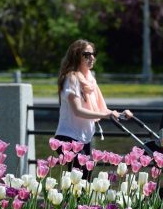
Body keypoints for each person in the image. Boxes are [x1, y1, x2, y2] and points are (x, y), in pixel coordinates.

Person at [54, 39, 132, 179]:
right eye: (87, 54)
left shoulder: (90, 80)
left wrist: (120, 114)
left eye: (93, 54)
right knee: (79, 181)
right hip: (68, 137)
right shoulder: (71, 79)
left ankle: (72, 201)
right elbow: (78, 110)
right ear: (77, 55)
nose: (92, 58)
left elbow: (102, 109)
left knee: (85, 179)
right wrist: (106, 115)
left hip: (84, 138)